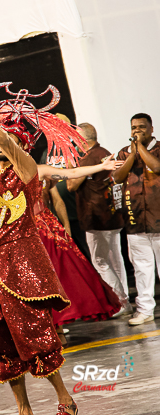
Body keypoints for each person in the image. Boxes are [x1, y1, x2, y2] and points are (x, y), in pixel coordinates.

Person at [0, 85, 101, 415]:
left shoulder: (27, 172)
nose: (1, 154)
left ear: (21, 148)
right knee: (2, 343)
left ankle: (64, 398)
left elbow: (4, 140)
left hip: (20, 268)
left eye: (7, 149)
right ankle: (23, 408)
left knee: (35, 333)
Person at [35, 177, 120, 344]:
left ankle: (57, 329)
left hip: (47, 229)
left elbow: (58, 200)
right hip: (25, 232)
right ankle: (49, 329)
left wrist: (66, 228)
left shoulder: (38, 170)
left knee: (60, 276)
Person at [66, 123, 130, 316]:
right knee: (115, 260)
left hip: (96, 216)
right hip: (111, 216)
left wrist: (70, 161)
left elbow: (71, 185)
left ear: (83, 139)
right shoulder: (103, 152)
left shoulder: (89, 158)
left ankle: (120, 301)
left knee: (100, 260)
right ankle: (124, 300)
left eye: (75, 137)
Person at [113, 113, 160, 325]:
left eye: (141, 127)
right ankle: (145, 310)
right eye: (133, 128)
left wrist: (140, 147)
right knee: (142, 268)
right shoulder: (124, 152)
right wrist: (132, 155)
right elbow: (117, 177)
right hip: (135, 220)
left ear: (151, 129)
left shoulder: (158, 149)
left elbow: (157, 167)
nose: (137, 131)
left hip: (158, 219)